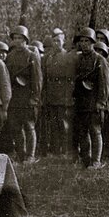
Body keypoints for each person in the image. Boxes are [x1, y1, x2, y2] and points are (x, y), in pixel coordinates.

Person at [72, 28, 109, 169]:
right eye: (81, 41)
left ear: (93, 42)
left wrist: (101, 102)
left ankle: (96, 161)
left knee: (95, 131)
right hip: (81, 101)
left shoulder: (100, 60)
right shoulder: (78, 59)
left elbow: (105, 84)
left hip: (94, 102)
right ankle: (85, 160)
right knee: (82, 132)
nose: (84, 44)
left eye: (87, 41)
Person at [4, 26, 42, 162]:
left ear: (26, 40)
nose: (17, 41)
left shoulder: (32, 56)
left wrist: (35, 98)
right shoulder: (10, 57)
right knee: (16, 127)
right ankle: (21, 154)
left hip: (27, 97)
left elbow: (37, 79)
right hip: (14, 98)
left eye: (20, 38)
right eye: (15, 38)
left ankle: (30, 156)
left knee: (29, 126)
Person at [42, 28, 78, 157]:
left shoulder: (68, 57)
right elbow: (45, 78)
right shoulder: (48, 58)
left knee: (64, 124)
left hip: (63, 94)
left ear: (63, 41)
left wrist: (69, 95)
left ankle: (65, 150)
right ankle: (56, 150)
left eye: (58, 40)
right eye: (54, 40)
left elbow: (71, 79)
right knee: (53, 123)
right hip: (52, 94)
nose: (56, 43)